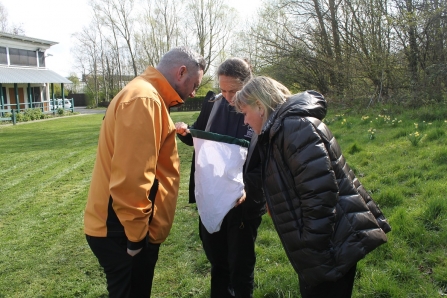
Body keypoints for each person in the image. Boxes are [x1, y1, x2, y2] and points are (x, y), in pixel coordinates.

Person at [233, 76, 391, 298]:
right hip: (323, 245)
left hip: (330, 245)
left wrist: (311, 246)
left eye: (245, 113)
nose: (245, 122)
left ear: (260, 106)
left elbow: (320, 194)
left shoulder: (295, 129)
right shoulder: (280, 130)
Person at [83, 46, 206, 298]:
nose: (194, 93)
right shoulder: (145, 100)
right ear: (181, 72)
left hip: (123, 228)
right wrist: (136, 239)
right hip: (123, 231)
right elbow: (132, 178)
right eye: (194, 84)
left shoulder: (147, 95)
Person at [175, 58, 266, 298]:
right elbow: (200, 136)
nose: (227, 96)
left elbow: (268, 162)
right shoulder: (213, 103)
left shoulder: (262, 109)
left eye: (234, 91)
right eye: (223, 89)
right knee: (218, 264)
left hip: (243, 204)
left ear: (249, 84)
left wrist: (249, 187)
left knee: (240, 267)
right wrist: (186, 132)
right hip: (213, 197)